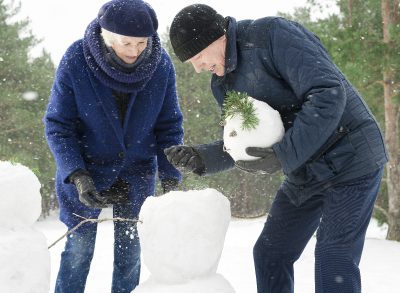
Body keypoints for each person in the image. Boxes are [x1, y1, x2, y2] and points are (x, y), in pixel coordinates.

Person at [166, 4, 388, 293]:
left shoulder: (271, 35)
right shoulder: (223, 85)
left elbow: (328, 94)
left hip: (351, 157)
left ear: (216, 38)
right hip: (306, 172)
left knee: (333, 258)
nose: (197, 68)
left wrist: (283, 154)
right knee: (271, 253)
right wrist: (201, 158)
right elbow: (243, 142)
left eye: (197, 57)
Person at [43, 0, 183, 292]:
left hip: (136, 173)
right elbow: (58, 126)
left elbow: (168, 126)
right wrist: (78, 175)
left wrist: (171, 177)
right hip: (86, 172)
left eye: (142, 43)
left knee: (130, 254)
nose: (134, 51)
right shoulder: (76, 59)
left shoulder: (161, 65)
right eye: (126, 43)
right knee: (78, 252)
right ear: (107, 37)